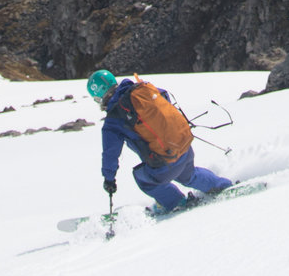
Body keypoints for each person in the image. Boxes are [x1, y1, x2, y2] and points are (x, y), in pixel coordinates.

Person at [87, 68, 233, 214]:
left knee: (144, 179)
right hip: (184, 147)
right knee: (189, 175)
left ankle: (177, 203)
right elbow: (164, 98)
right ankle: (222, 186)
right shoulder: (142, 90)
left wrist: (109, 179)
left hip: (164, 162)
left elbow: (110, 154)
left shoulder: (113, 119)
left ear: (99, 97)